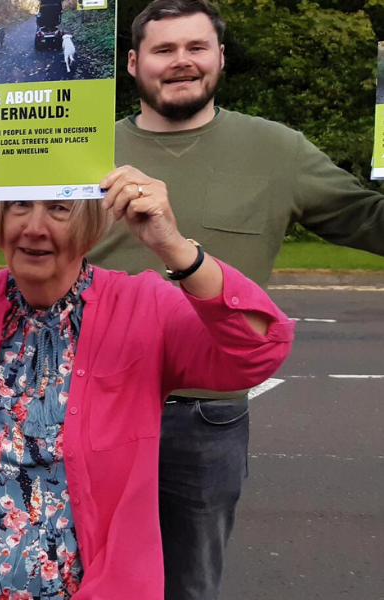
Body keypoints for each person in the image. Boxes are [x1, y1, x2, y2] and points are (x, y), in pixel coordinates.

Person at [0, 169, 293, 599]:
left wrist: (175, 248)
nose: (33, 227)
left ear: (90, 221)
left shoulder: (142, 307)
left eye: (59, 208)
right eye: (19, 205)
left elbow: (260, 346)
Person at [86, 1, 384, 597]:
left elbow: (372, 224)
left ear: (220, 57)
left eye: (196, 48)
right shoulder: (80, 151)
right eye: (163, 50)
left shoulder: (279, 150)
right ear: (132, 63)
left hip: (206, 417)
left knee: (188, 583)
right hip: (86, 402)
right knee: (70, 572)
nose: (181, 63)